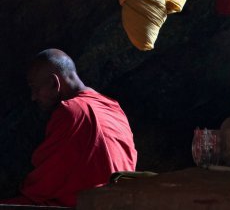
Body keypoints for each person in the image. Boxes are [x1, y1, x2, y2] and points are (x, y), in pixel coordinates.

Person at [2, 49, 137, 206]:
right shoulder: (114, 107)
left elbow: (43, 184)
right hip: (120, 203)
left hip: (87, 204)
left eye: (35, 88)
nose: (33, 97)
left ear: (54, 83)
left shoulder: (71, 111)